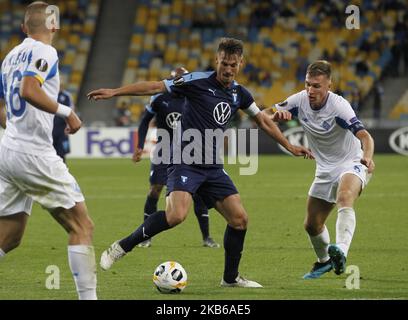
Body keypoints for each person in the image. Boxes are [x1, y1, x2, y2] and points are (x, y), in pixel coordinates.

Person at [88, 37, 312, 288]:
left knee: (240, 220)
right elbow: (155, 86)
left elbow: (263, 120)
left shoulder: (239, 93)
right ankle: (122, 247)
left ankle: (230, 279)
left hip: (213, 167)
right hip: (185, 160)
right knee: (176, 215)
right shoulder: (195, 81)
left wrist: (289, 145)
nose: (228, 69)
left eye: (233, 65)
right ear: (217, 60)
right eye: (224, 63)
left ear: (241, 64)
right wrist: (116, 92)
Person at [0, 1, 97, 299]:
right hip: (34, 153)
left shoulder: (10, 57)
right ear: (54, 25)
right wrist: (67, 112)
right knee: (82, 226)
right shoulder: (45, 51)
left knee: (10, 235)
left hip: (8, 150)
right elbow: (30, 90)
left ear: (23, 27)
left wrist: (17, 131)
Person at [265, 60, 375, 279]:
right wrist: (275, 115)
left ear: (328, 86)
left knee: (344, 197)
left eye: (316, 86)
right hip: (325, 168)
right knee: (312, 225)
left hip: (352, 162)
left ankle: (341, 251)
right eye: (307, 84)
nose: (310, 90)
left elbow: (365, 136)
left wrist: (367, 157)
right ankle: (325, 261)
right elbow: (263, 115)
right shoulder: (298, 100)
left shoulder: (339, 106)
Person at [133, 66, 220, 248]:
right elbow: (144, 121)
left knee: (198, 193)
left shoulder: (195, 97)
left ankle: (207, 238)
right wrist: (140, 145)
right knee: (155, 189)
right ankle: (146, 237)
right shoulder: (159, 98)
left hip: (188, 150)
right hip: (164, 149)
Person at [52, 84, 75, 162]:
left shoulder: (66, 96)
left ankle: (62, 169)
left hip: (62, 129)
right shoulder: (50, 94)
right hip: (50, 128)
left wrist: (69, 124)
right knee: (51, 152)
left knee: (62, 152)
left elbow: (71, 110)